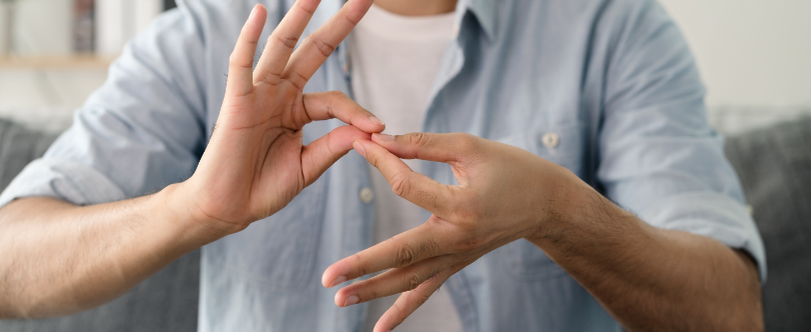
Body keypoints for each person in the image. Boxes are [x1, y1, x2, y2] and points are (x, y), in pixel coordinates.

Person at [0, 0, 765, 331]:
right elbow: (10, 263)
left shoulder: (615, 30)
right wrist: (192, 207)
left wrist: (558, 212)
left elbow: (731, 314)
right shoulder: (211, 33)